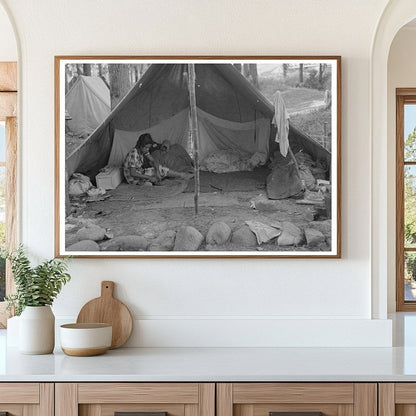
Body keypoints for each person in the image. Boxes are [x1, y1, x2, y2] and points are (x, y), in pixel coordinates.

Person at [123, 133, 192, 185]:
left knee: (161, 169)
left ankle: (182, 175)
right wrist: (149, 177)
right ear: (140, 145)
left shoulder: (144, 151)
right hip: (133, 179)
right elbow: (133, 173)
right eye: (146, 147)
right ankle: (152, 182)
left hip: (141, 172)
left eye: (148, 148)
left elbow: (153, 161)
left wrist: (157, 171)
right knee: (150, 184)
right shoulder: (134, 153)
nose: (147, 149)